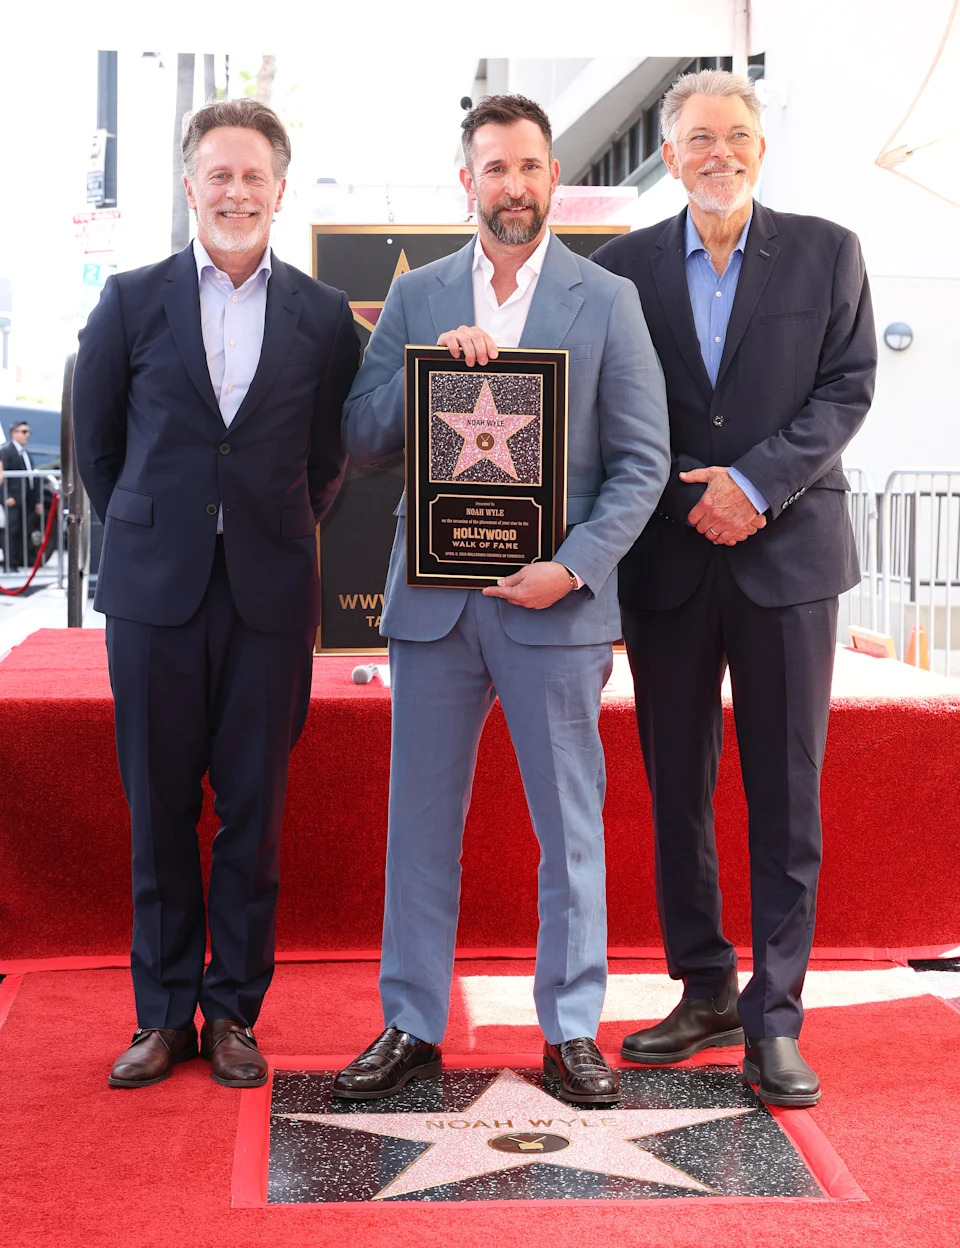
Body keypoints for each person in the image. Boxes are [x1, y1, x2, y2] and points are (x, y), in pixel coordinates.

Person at [336, 94, 670, 1105]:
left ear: (552, 177)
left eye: (530, 167)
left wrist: (571, 568)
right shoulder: (422, 294)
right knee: (420, 823)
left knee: (571, 826)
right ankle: (410, 1023)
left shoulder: (605, 300)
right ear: (466, 180)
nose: (514, 186)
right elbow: (360, 438)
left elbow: (644, 463)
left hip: (554, 607)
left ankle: (570, 1029)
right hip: (434, 605)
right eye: (495, 168)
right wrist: (430, 365)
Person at [591, 69, 877, 1107]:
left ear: (763, 147)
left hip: (789, 559)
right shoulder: (619, 269)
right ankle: (706, 986)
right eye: (700, 138)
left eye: (738, 135)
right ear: (669, 157)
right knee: (678, 786)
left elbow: (847, 387)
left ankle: (777, 1017)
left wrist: (754, 485)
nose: (722, 152)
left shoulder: (827, 251)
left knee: (784, 792)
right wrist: (678, 500)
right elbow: (606, 404)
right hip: (667, 559)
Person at [73, 98, 360, 1090]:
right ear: (189, 186)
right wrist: (161, 529)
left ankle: (232, 1011)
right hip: (155, 598)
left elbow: (328, 458)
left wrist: (267, 532)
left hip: (271, 600)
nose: (235, 191)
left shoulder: (324, 319)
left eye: (253, 176)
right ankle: (160, 1016)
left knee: (253, 812)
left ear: (280, 189)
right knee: (157, 810)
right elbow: (99, 449)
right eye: (217, 174)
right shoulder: (129, 300)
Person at [1, 421, 41, 570]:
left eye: (28, 431)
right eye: (23, 432)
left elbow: (33, 477)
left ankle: (16, 562)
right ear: (13, 433)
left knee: (22, 531)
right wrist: (5, 497)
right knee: (11, 531)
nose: (27, 435)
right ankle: (9, 563)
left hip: (26, 499)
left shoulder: (26, 453)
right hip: (12, 499)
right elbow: (2, 476)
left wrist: (36, 500)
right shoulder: (6, 451)